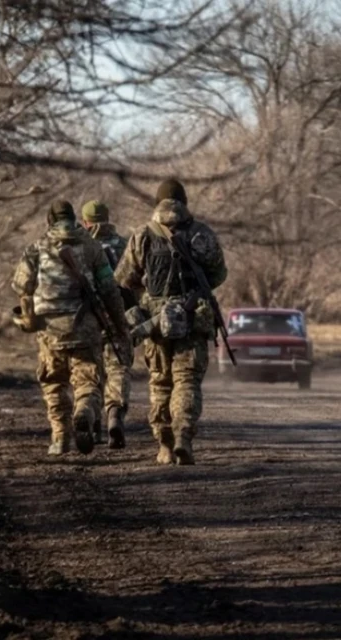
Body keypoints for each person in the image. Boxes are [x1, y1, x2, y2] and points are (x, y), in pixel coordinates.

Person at [115, 180, 227, 465]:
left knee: (161, 384)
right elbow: (218, 275)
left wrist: (147, 300)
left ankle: (164, 445)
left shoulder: (142, 235)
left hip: (155, 324)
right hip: (192, 319)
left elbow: (124, 280)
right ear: (185, 202)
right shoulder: (202, 234)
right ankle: (183, 438)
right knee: (187, 382)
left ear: (157, 202)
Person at [12, 201, 131, 455]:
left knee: (53, 381)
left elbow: (22, 286)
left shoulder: (37, 248)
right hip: (85, 327)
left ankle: (61, 438)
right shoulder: (92, 246)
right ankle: (85, 412)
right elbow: (110, 290)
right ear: (74, 218)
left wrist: (29, 318)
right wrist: (119, 325)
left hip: (50, 329)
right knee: (88, 380)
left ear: (49, 220)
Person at [80, 200, 136, 449]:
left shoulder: (81, 247)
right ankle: (114, 413)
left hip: (87, 319)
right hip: (119, 316)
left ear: (85, 222)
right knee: (118, 368)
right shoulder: (125, 245)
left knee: (89, 371)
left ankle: (89, 418)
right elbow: (136, 283)